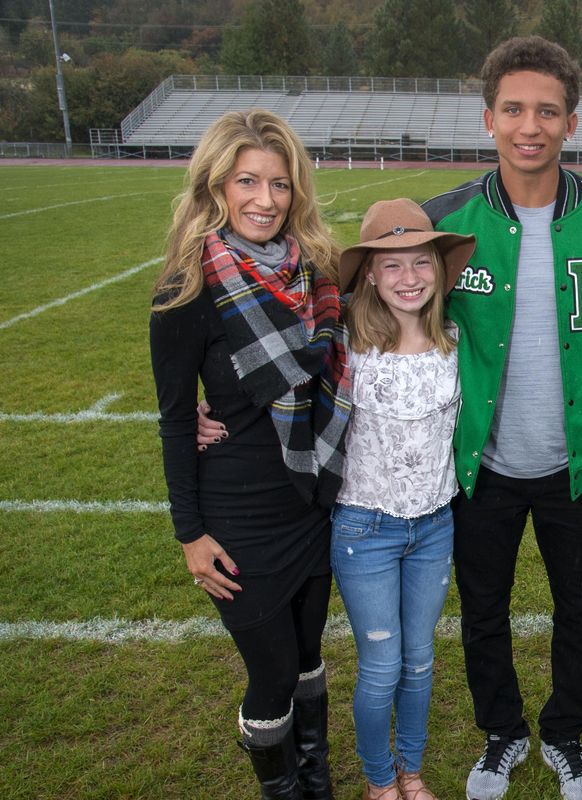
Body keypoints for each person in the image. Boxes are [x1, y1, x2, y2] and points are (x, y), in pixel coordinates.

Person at [421, 36, 582, 800]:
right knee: (484, 612)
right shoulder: (443, 221)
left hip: (579, 463)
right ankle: (503, 733)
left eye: (547, 110)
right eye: (514, 109)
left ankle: (566, 735)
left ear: (572, 124)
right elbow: (370, 322)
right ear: (488, 118)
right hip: (483, 466)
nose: (530, 125)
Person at [150, 109, 352, 800]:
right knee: (269, 674)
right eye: (247, 182)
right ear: (217, 186)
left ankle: (315, 777)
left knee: (305, 656)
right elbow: (178, 421)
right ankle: (284, 790)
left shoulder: (318, 274)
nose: (266, 200)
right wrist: (190, 535)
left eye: (280, 184)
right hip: (239, 519)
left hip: (312, 502)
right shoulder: (187, 290)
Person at [329, 199, 475, 800]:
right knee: (383, 666)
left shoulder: (457, 339)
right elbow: (275, 392)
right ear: (369, 274)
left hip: (434, 527)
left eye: (420, 263)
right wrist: (210, 415)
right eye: (392, 266)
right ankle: (379, 779)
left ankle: (410, 772)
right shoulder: (344, 344)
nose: (409, 278)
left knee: (420, 663)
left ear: (439, 270)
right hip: (365, 527)